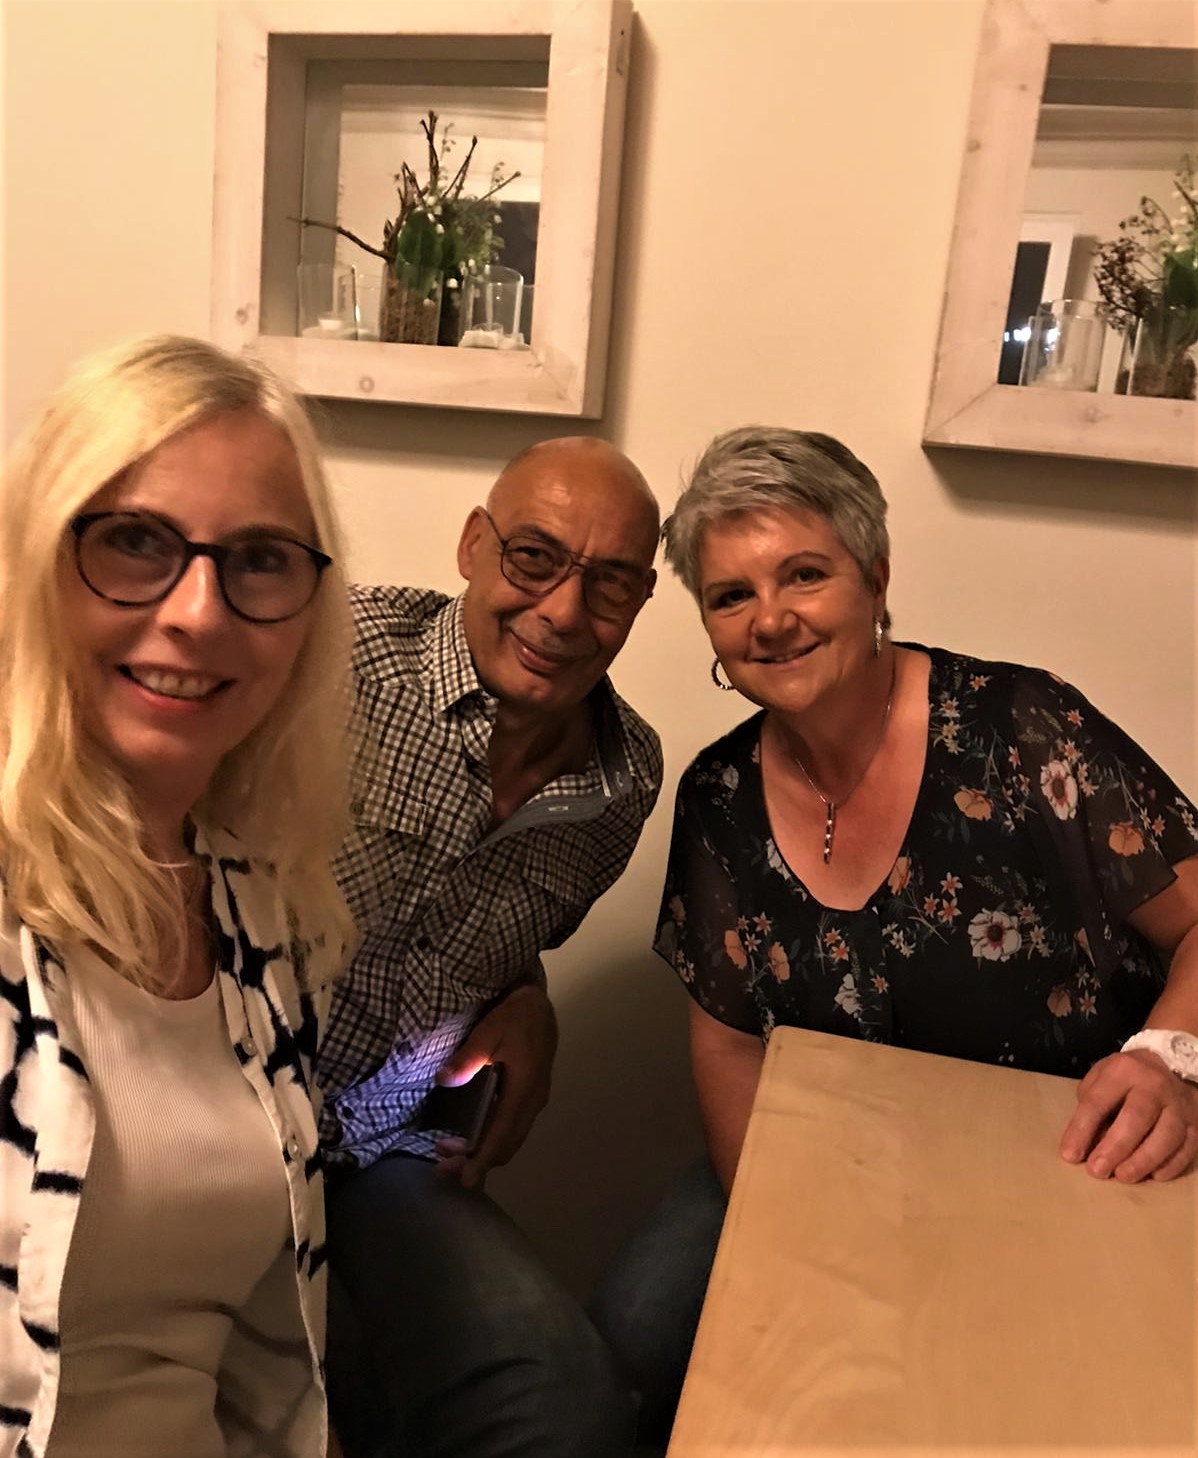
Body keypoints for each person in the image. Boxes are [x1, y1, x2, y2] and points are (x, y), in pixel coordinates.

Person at [592, 424, 1198, 1446]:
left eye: (804, 574)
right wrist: (773, 1224)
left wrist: (1171, 1059)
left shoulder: (1021, 728)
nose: (770, 619)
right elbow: (730, 1046)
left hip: (1059, 1156)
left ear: (875, 578)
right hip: (827, 1165)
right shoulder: (718, 796)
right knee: (631, 1341)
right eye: (731, 595)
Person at [0, 335, 354, 1458]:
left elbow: (251, 1353)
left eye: (259, 560)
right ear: (35, 556)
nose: (200, 612)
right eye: (135, 542)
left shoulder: (255, 904)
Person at [318, 437, 664, 1458]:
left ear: (643, 602)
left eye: (610, 583)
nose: (564, 611)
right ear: (474, 545)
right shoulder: (330, 660)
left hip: (385, 1143)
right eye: (534, 558)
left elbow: (498, 936)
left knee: (564, 1397)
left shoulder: (625, 781)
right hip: (221, 1120)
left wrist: (525, 1001)